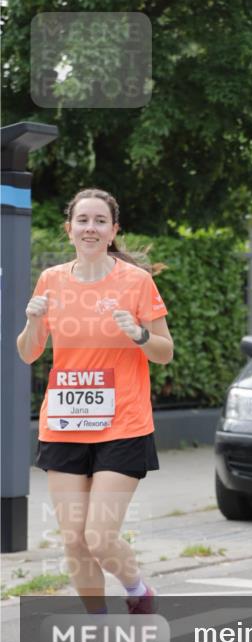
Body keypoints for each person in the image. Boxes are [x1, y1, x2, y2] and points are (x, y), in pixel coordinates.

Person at [17, 189, 173, 615]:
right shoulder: (51, 280)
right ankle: (98, 626)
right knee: (74, 539)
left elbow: (164, 352)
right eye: (82, 220)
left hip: (123, 424)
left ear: (113, 230)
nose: (91, 228)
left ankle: (138, 591)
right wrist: (32, 322)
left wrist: (139, 335)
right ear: (69, 229)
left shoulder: (136, 282)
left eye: (100, 221)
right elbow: (28, 353)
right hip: (65, 423)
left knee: (99, 537)